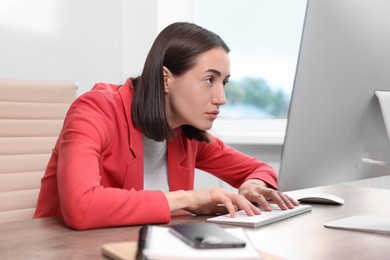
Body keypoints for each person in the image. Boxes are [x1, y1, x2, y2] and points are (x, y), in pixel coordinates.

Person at [34, 22, 298, 230]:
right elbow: (82, 207)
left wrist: (252, 185)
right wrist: (191, 199)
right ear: (165, 79)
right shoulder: (94, 110)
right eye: (209, 80)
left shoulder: (186, 134)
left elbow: (258, 169)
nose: (221, 98)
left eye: (224, 82)